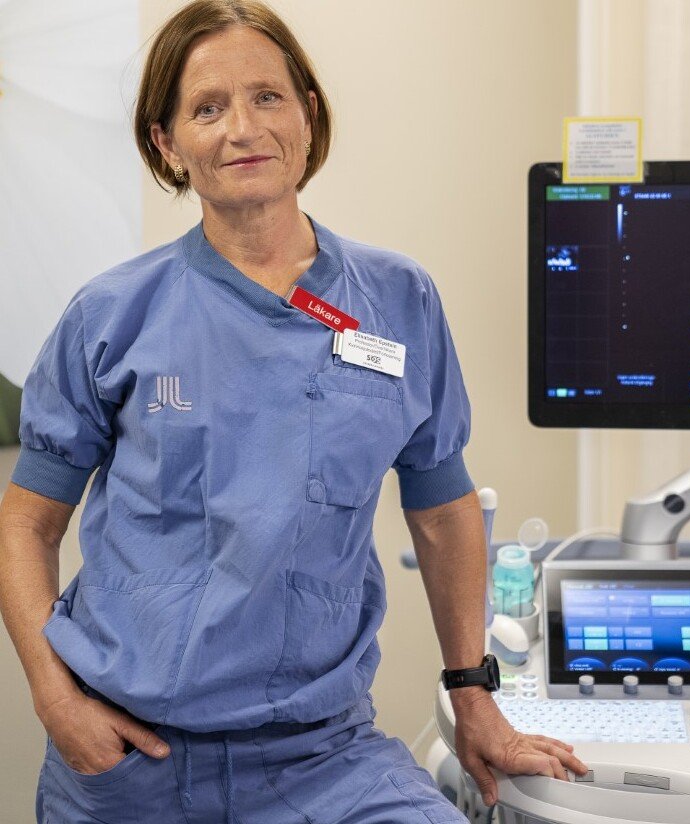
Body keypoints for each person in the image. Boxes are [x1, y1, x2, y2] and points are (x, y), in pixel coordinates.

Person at [0, 2, 586, 821]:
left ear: (309, 115)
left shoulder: (398, 301)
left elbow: (443, 510)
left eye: (268, 98)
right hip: (132, 758)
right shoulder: (110, 318)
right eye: (207, 108)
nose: (243, 127)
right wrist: (54, 700)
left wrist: (473, 695)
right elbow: (27, 524)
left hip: (325, 755)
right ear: (167, 144)